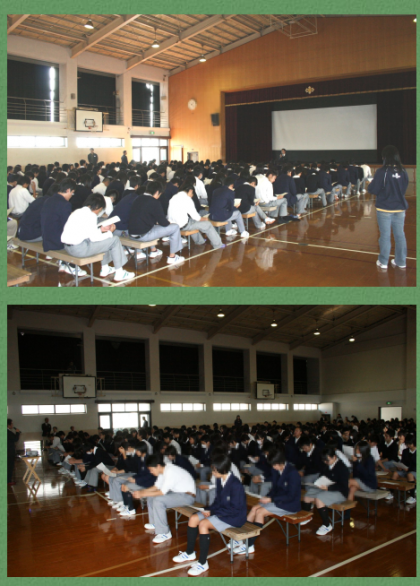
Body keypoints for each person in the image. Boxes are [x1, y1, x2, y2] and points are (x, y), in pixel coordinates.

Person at [173, 453, 247, 576]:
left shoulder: (236, 485)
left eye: (214, 470)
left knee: (203, 524)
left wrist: (212, 512)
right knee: (193, 518)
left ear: (223, 470)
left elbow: (235, 509)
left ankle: (203, 563)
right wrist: (208, 509)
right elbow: (218, 501)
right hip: (221, 512)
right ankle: (189, 553)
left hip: (234, 517)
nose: (212, 473)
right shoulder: (219, 479)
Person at [233, 447, 300, 556]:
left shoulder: (292, 473)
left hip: (289, 504)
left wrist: (271, 499)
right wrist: (267, 497)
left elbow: (291, 496)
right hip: (277, 500)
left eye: (274, 465)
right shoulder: (276, 469)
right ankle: (241, 538)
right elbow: (274, 488)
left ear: (281, 462)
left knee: (260, 512)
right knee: (254, 508)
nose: (273, 467)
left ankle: (249, 545)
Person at [61, 193, 135, 282]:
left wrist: (101, 230)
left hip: (68, 248)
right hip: (79, 249)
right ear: (98, 207)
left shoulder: (78, 211)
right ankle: (120, 273)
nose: (99, 212)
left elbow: (87, 233)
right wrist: (109, 232)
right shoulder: (91, 215)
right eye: (100, 209)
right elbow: (95, 238)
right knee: (114, 240)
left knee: (106, 240)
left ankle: (105, 268)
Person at [131, 453, 196, 543]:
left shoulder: (170, 471)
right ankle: (155, 523)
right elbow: (156, 487)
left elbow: (162, 492)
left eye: (151, 469)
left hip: (187, 496)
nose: (151, 472)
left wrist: (142, 494)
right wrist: (142, 492)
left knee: (158, 500)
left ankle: (164, 533)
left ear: (158, 466)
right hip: (177, 493)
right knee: (151, 497)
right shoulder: (163, 470)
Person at [368, 145, 409, 270]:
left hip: (384, 208)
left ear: (384, 157)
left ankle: (383, 261)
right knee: (400, 235)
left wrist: (371, 184)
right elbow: (404, 187)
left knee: (385, 235)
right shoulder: (403, 170)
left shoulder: (382, 171)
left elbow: (373, 189)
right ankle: (401, 261)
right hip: (400, 208)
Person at [128, 180, 185, 265]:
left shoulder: (138, 198)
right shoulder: (154, 202)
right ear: (157, 192)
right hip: (144, 235)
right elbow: (164, 223)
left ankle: (153, 251)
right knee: (175, 227)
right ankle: (172, 257)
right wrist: (168, 222)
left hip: (131, 234)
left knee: (152, 227)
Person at [301, 445, 350, 535]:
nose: (326, 462)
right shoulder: (327, 465)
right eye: (324, 461)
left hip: (340, 493)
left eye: (327, 460)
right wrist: (318, 483)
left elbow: (343, 486)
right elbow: (323, 475)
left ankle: (327, 525)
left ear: (334, 457)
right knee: (307, 496)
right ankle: (306, 517)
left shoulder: (342, 468)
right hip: (326, 488)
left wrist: (329, 488)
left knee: (319, 499)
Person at [167, 183, 224, 249]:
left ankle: (200, 241)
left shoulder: (174, 197)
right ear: (190, 191)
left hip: (173, 225)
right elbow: (197, 217)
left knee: (192, 221)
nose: (192, 196)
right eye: (192, 194)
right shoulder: (187, 199)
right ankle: (218, 244)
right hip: (183, 225)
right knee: (208, 225)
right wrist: (206, 219)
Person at [7, 419, 21, 485]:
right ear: (8, 425)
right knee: (9, 466)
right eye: (11, 423)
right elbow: (15, 439)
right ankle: (8, 481)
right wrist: (17, 433)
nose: (12, 425)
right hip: (9, 451)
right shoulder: (8, 432)